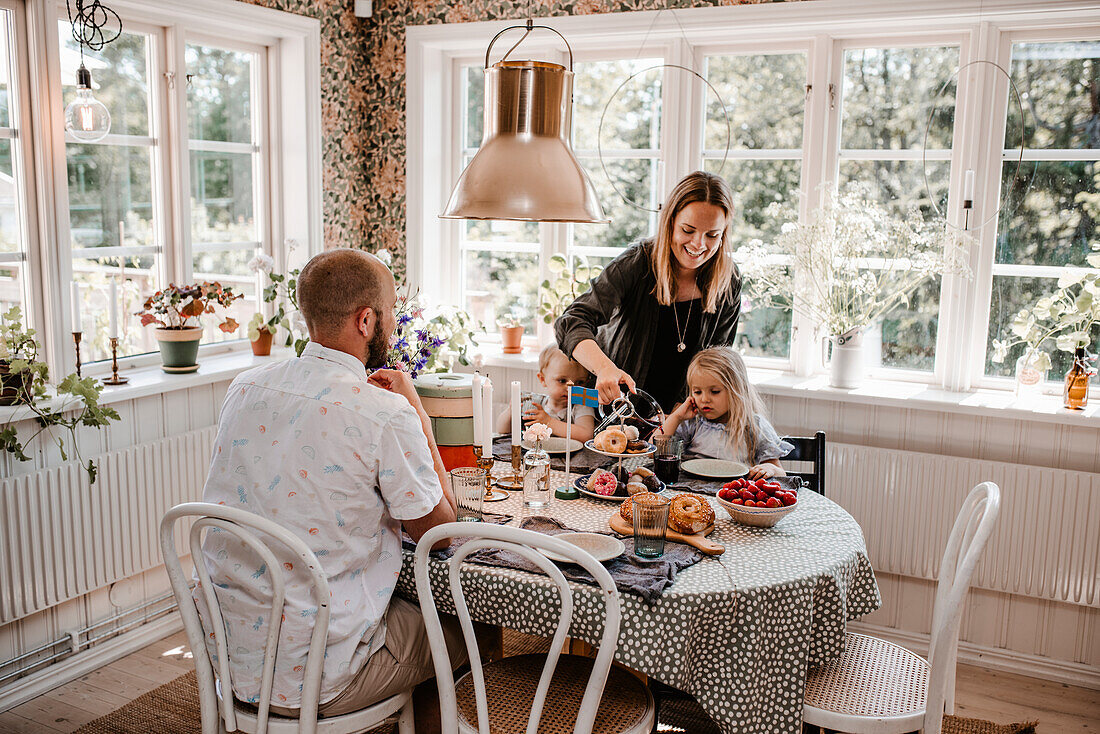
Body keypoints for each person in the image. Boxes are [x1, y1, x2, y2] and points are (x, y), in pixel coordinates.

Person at [196, 249, 466, 732]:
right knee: (467, 628)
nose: (393, 325)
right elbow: (441, 534)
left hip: (234, 658)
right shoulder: (384, 412)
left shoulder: (244, 387)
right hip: (321, 674)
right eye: (390, 314)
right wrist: (418, 412)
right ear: (366, 320)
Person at [555, 170, 743, 413]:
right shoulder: (637, 264)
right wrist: (604, 368)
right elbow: (572, 321)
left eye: (712, 235)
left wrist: (676, 418)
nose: (699, 244)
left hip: (681, 423)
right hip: (616, 414)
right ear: (670, 222)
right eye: (688, 230)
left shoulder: (729, 280)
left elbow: (717, 363)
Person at [660, 347, 792, 480]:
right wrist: (676, 417)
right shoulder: (692, 423)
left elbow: (780, 473)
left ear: (736, 390)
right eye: (698, 392)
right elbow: (655, 449)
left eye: (715, 391)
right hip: (692, 492)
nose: (705, 399)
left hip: (733, 495)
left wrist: (770, 469)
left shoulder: (755, 426)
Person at [494, 343, 596, 441]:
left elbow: (586, 435)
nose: (570, 388)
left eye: (580, 382)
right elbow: (502, 430)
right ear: (543, 379)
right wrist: (511, 412)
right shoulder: (536, 404)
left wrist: (549, 422)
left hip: (571, 458)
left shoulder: (581, 405)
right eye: (562, 381)